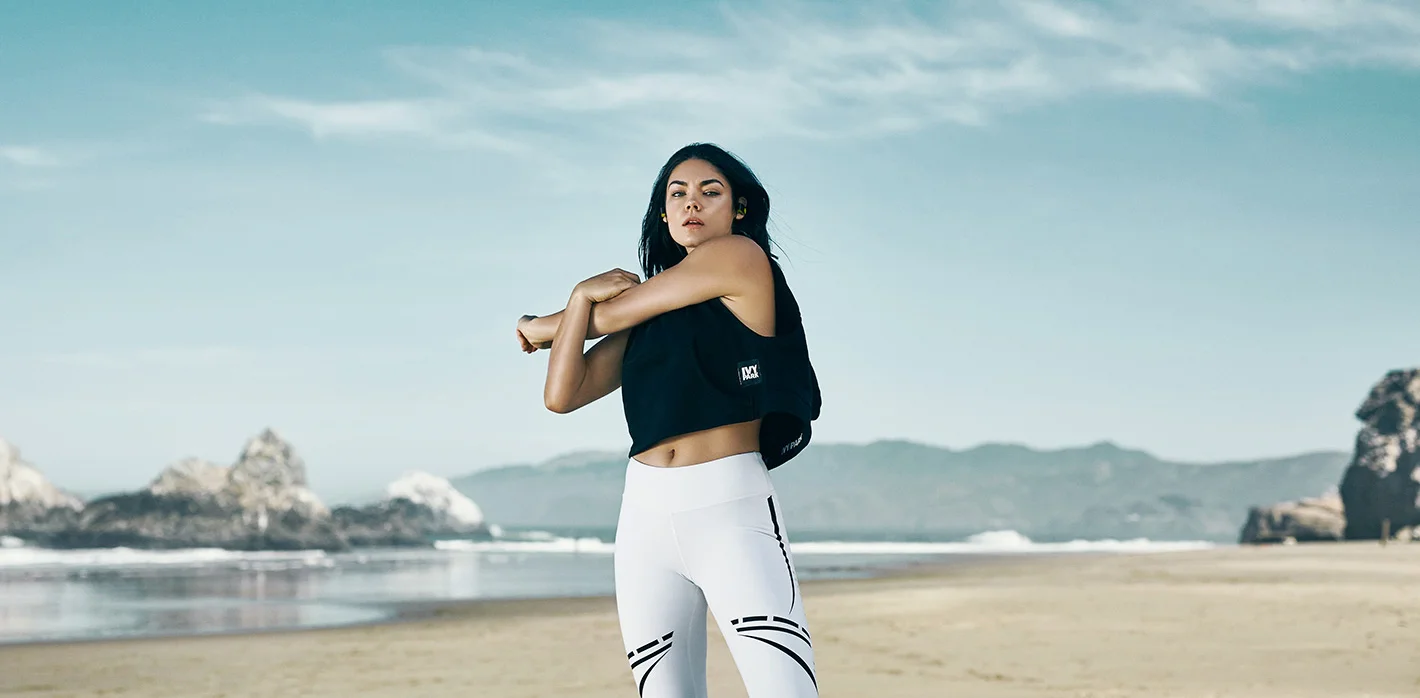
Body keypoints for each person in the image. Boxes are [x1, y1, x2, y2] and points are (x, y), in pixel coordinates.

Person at [514, 142, 823, 697]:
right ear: (662, 212)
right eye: (676, 194)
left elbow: (602, 317)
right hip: (644, 518)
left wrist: (543, 325)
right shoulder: (655, 311)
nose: (691, 204)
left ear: (739, 208)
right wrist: (580, 296)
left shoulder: (741, 257)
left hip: (730, 509)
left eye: (711, 191)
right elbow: (563, 394)